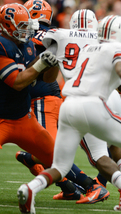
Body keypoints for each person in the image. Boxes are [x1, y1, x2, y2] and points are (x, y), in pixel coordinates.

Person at [17, 14, 121, 213]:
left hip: (69, 104)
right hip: (96, 102)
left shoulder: (81, 45)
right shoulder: (114, 46)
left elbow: (45, 74)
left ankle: (30, 189)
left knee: (61, 167)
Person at [15, 4, 110, 204]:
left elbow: (45, 75)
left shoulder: (48, 35)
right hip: (64, 97)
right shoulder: (59, 35)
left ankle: (93, 185)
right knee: (55, 149)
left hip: (47, 98)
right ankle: (69, 188)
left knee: (54, 151)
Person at [0, 0, 57, 188]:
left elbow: (45, 79)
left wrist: (53, 61)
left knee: (56, 157)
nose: (26, 31)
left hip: (22, 115)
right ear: (7, 26)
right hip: (3, 115)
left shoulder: (27, 44)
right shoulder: (3, 45)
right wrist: (41, 63)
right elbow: (17, 82)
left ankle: (81, 186)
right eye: (22, 26)